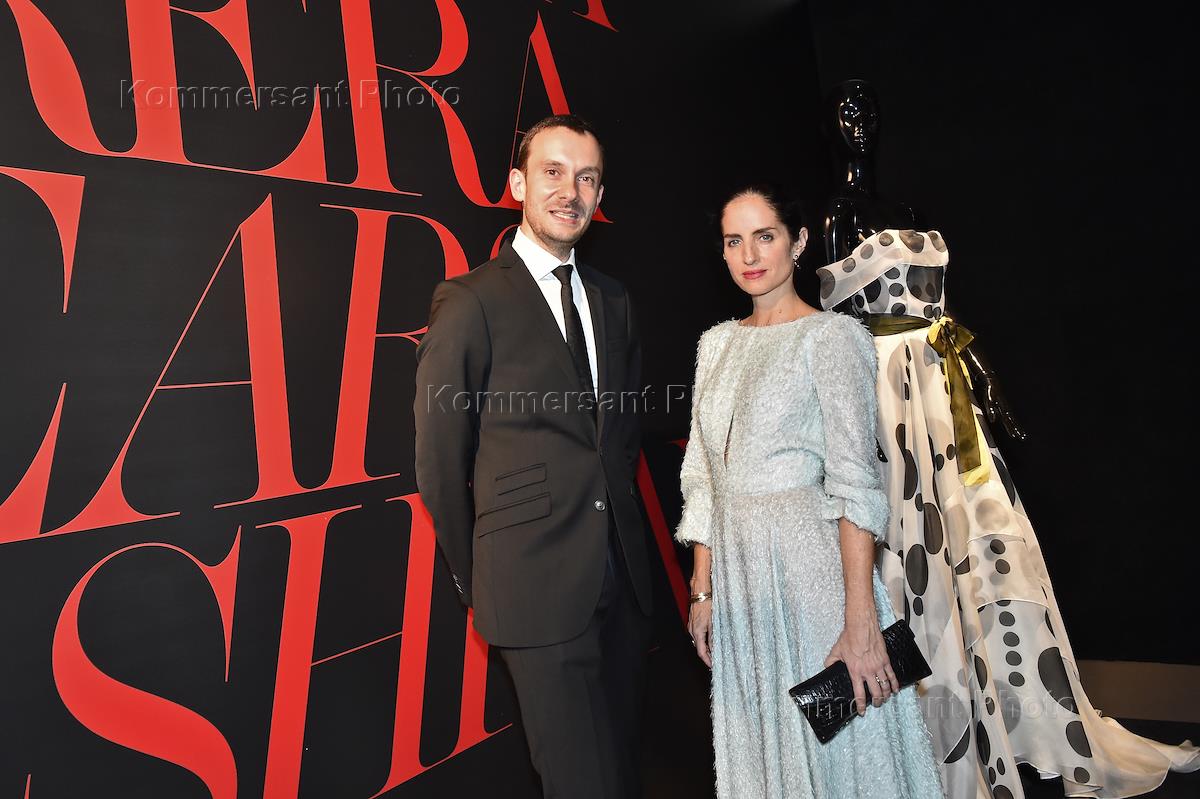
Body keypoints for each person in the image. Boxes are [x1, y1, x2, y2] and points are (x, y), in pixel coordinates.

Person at [820, 79, 1200, 798]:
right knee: (918, 557)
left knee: (983, 548)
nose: (859, 121)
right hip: (891, 405)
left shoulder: (910, 214)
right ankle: (930, 737)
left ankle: (1013, 709)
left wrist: (986, 380)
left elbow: (945, 313)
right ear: (829, 126)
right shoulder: (839, 214)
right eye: (846, 110)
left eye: (869, 109)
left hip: (945, 399)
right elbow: (836, 330)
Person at [676, 184, 943, 798]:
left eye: (764, 236)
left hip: (811, 577)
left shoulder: (832, 338)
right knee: (767, 751)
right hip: (741, 588)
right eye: (734, 241)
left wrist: (860, 620)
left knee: (841, 755)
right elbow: (703, 479)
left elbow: (856, 485)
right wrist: (702, 589)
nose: (749, 255)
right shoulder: (714, 345)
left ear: (797, 243)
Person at [414, 114, 653, 799]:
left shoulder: (613, 299)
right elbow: (438, 462)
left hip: (623, 584)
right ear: (518, 183)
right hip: (534, 590)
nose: (569, 192)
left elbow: (621, 438)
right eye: (553, 172)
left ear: (600, 195)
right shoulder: (470, 301)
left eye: (587, 178)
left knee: (624, 776)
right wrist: (482, 577)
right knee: (582, 784)